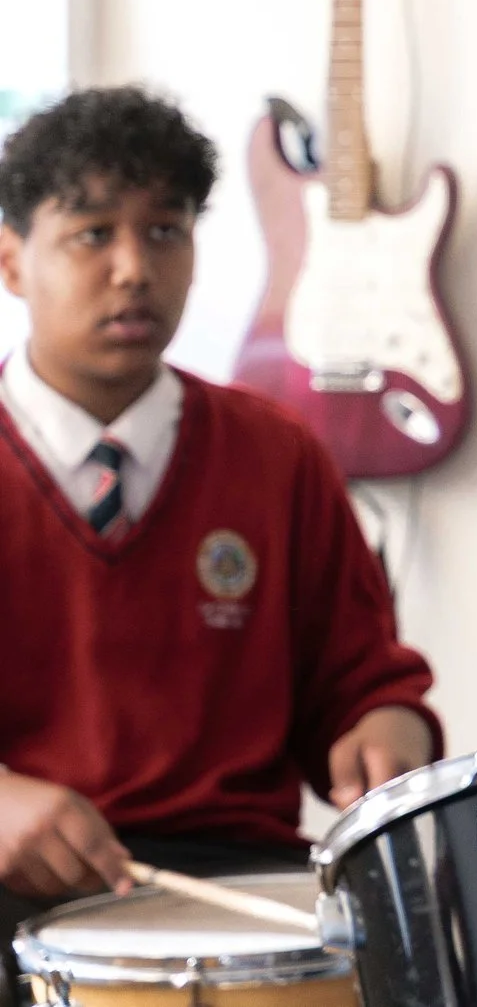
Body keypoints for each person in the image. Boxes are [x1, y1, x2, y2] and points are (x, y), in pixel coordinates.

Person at [0, 87, 438, 979]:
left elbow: (360, 681)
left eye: (165, 231)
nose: (133, 268)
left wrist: (386, 729)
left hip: (236, 883)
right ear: (12, 262)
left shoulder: (278, 453)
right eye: (93, 234)